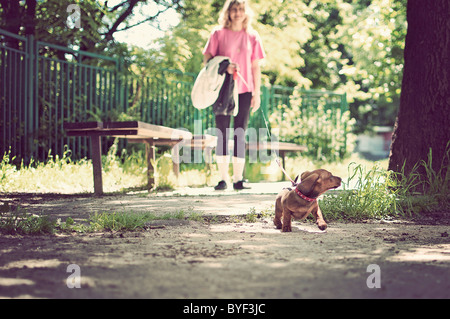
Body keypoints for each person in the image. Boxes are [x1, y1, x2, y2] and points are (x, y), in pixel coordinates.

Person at [203, 0, 265, 190]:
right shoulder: (218, 34)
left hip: (245, 91)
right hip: (223, 90)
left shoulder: (252, 36)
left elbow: (255, 66)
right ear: (228, 13)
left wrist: (257, 92)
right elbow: (207, 60)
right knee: (222, 133)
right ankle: (223, 179)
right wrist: (225, 66)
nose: (237, 13)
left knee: (240, 132)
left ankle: (238, 179)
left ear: (245, 13)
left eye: (240, 9)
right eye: (234, 9)